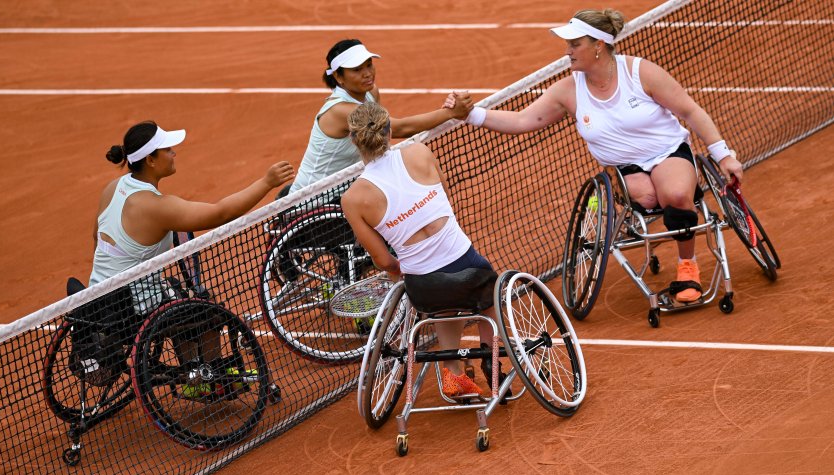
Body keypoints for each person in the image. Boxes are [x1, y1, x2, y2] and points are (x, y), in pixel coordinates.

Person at [460, 8, 744, 303]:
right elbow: (522, 121)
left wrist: (723, 155)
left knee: (674, 194)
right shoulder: (568, 90)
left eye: (574, 44)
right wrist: (471, 114)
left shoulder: (639, 72)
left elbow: (689, 110)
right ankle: (671, 217)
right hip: (624, 169)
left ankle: (688, 267)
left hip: (667, 152)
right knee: (648, 198)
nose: (567, 51)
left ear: (598, 46)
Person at [84, 120, 294, 392]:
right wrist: (266, 182)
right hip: (134, 308)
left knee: (175, 292)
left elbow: (95, 238)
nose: (174, 153)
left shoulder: (113, 188)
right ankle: (208, 375)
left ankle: (193, 368)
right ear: (150, 159)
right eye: (168, 149)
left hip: (97, 299)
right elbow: (220, 213)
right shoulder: (157, 206)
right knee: (206, 309)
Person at [341, 102, 504, 398]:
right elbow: (444, 204)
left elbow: (383, 260)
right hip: (468, 268)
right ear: (390, 130)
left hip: (423, 287)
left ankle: (454, 373)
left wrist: (399, 269)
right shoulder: (419, 151)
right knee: (489, 294)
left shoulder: (352, 199)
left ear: (353, 139)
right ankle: (490, 358)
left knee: (441, 300)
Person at [286, 38, 473, 198]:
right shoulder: (341, 110)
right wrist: (450, 113)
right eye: (357, 69)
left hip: (345, 188)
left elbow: (382, 136)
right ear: (338, 76)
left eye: (369, 65)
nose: (368, 73)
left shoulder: (370, 93)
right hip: (313, 199)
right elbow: (399, 128)